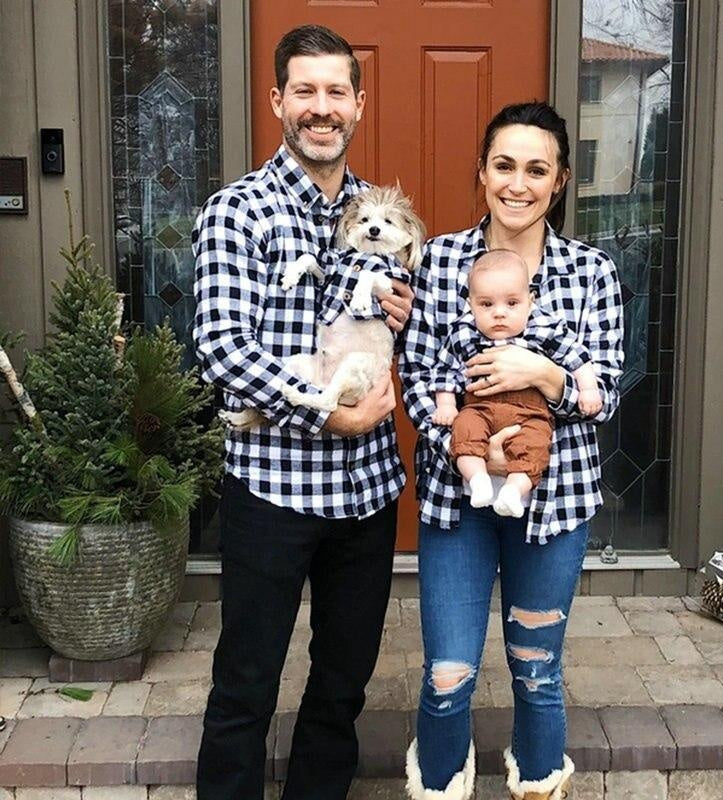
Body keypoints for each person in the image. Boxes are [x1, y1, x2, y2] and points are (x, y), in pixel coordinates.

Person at [192, 24, 413, 800]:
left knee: (341, 688)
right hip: (272, 493)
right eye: (305, 92)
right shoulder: (239, 212)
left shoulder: (383, 218)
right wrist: (325, 415)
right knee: (246, 685)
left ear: (359, 102)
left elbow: (403, 346)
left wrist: (405, 321)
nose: (322, 109)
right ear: (278, 99)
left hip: (365, 495)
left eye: (336, 93)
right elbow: (221, 350)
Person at [399, 101, 624, 800]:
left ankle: (537, 785)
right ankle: (439, 783)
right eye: (504, 166)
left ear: (558, 182)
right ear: (482, 173)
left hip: (553, 507)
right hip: (457, 501)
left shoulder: (592, 274)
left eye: (536, 169)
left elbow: (606, 391)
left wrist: (545, 376)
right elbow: (418, 379)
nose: (517, 183)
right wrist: (471, 451)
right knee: (448, 675)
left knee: (537, 671)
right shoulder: (438, 263)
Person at [431, 249, 600, 518]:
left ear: (530, 301)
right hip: (479, 408)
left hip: (529, 414)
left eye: (512, 303)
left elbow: (578, 357)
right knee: (463, 429)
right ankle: (478, 481)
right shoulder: (463, 333)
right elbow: (444, 369)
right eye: (486, 305)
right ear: (471, 304)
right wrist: (447, 403)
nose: (499, 313)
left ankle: (513, 491)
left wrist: (588, 389)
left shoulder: (543, 328)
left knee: (534, 443)